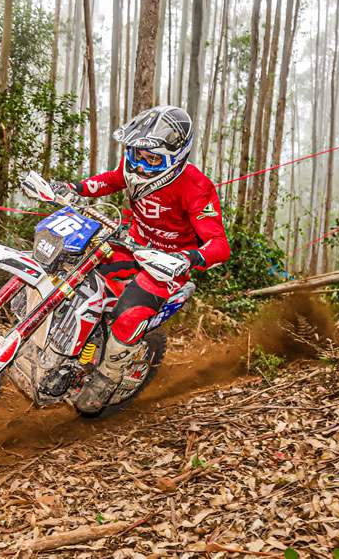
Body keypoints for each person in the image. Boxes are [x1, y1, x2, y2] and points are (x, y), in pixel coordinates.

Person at [54, 105, 230, 412]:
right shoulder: (134, 164)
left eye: (152, 159)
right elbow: (112, 179)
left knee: (128, 315)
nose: (140, 165)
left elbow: (219, 245)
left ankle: (107, 378)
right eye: (136, 154)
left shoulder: (196, 187)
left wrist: (187, 259)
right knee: (74, 269)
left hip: (166, 264)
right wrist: (74, 188)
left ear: (176, 156)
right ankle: (65, 343)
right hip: (131, 244)